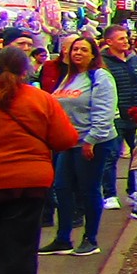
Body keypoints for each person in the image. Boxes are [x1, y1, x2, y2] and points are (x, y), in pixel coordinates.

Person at [0, 45, 79, 274]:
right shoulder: (41, 99)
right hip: (29, 182)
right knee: (20, 248)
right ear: (26, 70)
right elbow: (66, 139)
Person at [46, 36, 117, 256]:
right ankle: (63, 238)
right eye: (74, 49)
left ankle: (90, 239)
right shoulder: (69, 78)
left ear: (93, 54)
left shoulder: (100, 77)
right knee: (62, 187)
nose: (78, 53)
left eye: (83, 50)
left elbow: (104, 111)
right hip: (68, 142)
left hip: (93, 142)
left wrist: (91, 140)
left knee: (88, 189)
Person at [99, 23, 137, 210]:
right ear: (109, 42)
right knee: (111, 154)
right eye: (121, 38)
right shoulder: (102, 63)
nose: (126, 41)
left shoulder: (135, 60)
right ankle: (109, 194)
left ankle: (134, 191)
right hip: (115, 115)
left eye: (126, 37)